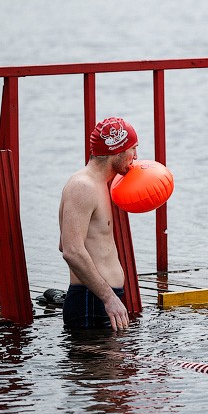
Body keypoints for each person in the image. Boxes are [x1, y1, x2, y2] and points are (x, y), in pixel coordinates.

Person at [59, 117, 138, 330]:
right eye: (133, 149)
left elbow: (64, 243)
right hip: (92, 301)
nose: (136, 157)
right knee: (97, 364)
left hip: (101, 299)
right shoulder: (83, 186)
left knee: (112, 364)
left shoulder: (101, 184)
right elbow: (71, 251)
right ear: (117, 151)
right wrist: (109, 298)